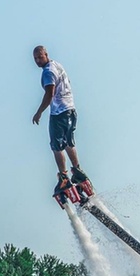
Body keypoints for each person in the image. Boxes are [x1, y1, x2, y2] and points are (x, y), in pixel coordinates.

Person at [31, 45, 91, 204]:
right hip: (71, 109)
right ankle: (77, 171)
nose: (38, 60)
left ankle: (64, 177)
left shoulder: (48, 72)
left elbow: (49, 93)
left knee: (56, 146)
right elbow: (67, 82)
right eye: (35, 58)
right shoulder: (57, 65)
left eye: (40, 57)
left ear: (46, 54)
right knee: (69, 143)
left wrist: (39, 112)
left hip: (59, 113)